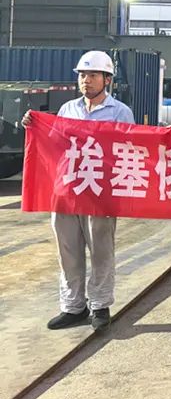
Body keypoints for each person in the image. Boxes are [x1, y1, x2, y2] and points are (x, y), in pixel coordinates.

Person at [23, 51, 134, 332]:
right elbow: (54, 144)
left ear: (107, 80)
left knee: (101, 251)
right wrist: (34, 126)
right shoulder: (67, 109)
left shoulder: (120, 112)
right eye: (83, 75)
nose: (86, 80)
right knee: (68, 252)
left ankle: (100, 305)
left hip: (99, 193)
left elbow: (129, 150)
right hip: (67, 192)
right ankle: (73, 307)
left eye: (93, 75)